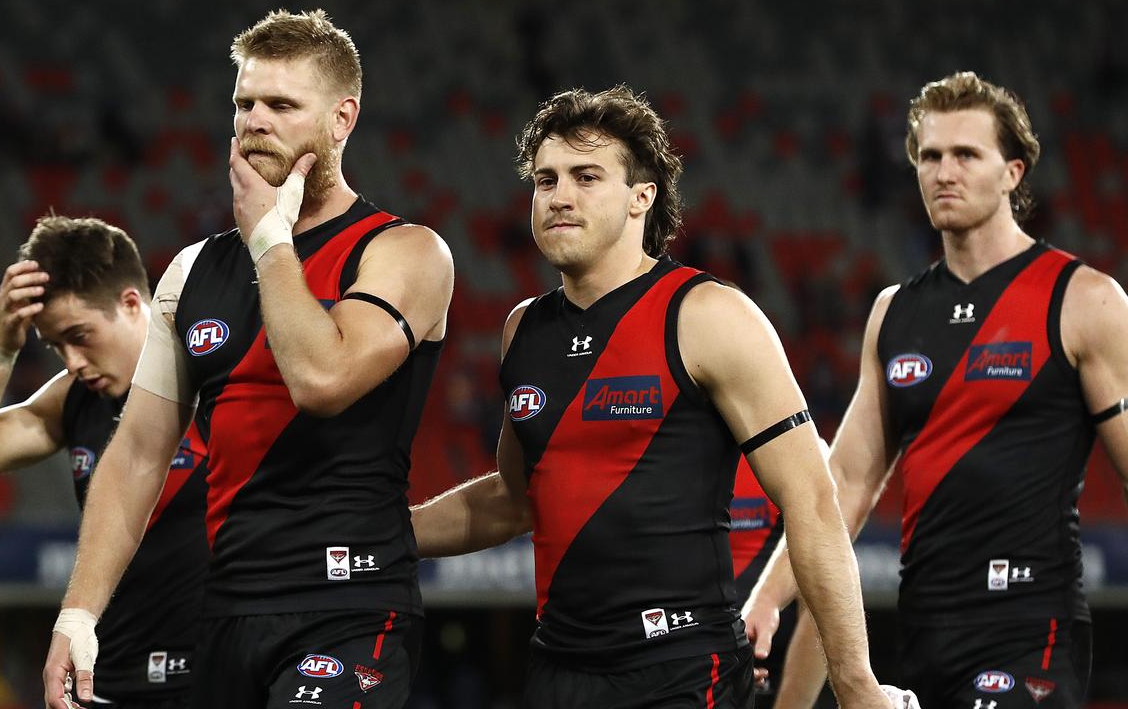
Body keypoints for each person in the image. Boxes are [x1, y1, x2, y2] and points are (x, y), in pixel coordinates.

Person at [411, 86, 912, 708]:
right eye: (545, 181)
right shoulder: (523, 330)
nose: (558, 196)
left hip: (680, 673)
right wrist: (387, 533)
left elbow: (811, 500)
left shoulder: (708, 315)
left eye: (586, 176)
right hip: (557, 675)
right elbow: (513, 500)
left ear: (640, 198)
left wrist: (856, 683)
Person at [41, 8, 454, 709]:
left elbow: (322, 379)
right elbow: (138, 453)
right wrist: (78, 615)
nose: (254, 120)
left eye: (282, 105)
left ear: (341, 119)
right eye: (244, 103)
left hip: (349, 609)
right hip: (225, 613)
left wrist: (270, 240)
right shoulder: (192, 271)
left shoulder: (404, 252)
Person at [743, 71, 1128, 708]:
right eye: (930, 156)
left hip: (1032, 627)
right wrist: (766, 598)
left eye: (966, 155)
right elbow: (844, 487)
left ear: (1013, 171)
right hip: (924, 630)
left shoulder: (1083, 301)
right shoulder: (894, 314)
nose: (943, 171)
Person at [0, 216, 208, 708]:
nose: (72, 361)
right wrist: (1, 347)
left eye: (80, 335)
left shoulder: (215, 378)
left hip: (217, 676)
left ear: (131, 304)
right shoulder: (72, 399)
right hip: (109, 681)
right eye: (56, 346)